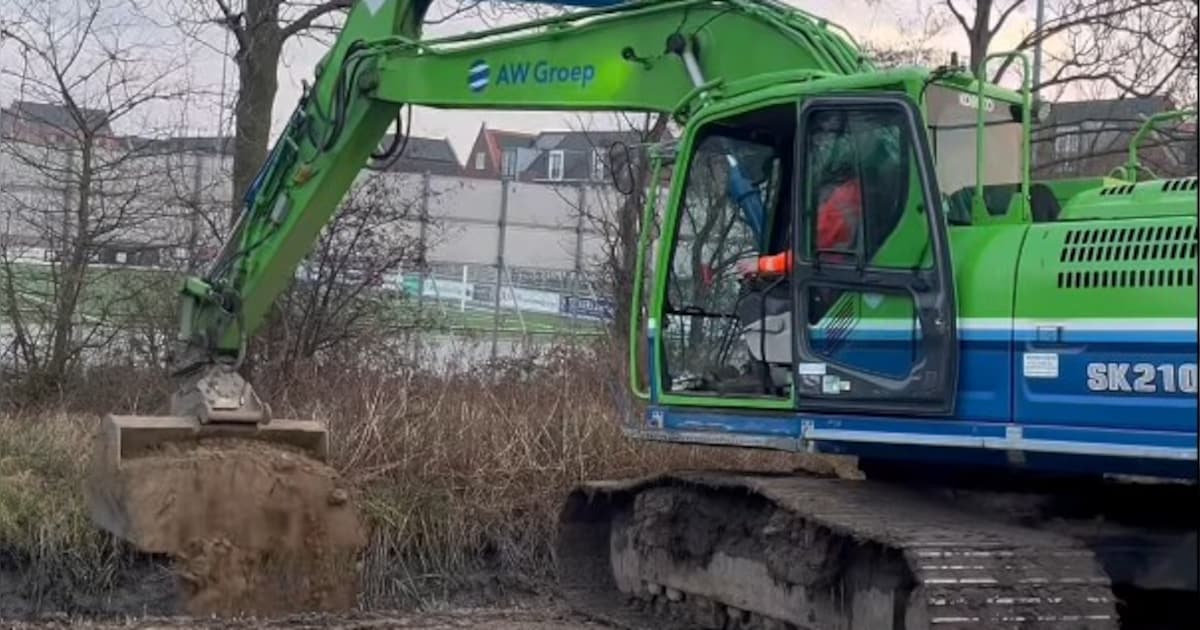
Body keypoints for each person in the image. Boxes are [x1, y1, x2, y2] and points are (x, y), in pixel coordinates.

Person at [736, 176, 863, 277]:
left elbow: (802, 259)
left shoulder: (838, 204)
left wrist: (761, 265)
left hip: (844, 274)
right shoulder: (844, 193)